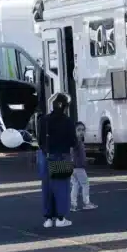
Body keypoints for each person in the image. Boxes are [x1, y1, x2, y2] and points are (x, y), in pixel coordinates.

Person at [37, 92, 78, 227]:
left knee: (47, 188)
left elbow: (39, 140)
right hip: (61, 156)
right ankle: (61, 219)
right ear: (66, 106)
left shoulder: (43, 120)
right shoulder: (67, 121)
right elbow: (73, 142)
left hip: (44, 156)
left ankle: (48, 219)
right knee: (61, 187)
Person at [70, 121, 97, 212]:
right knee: (85, 184)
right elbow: (72, 153)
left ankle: (73, 205)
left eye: (83, 130)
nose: (81, 132)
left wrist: (87, 159)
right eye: (78, 130)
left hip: (73, 167)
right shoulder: (76, 142)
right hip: (78, 167)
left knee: (75, 185)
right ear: (73, 131)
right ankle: (87, 203)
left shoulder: (77, 141)